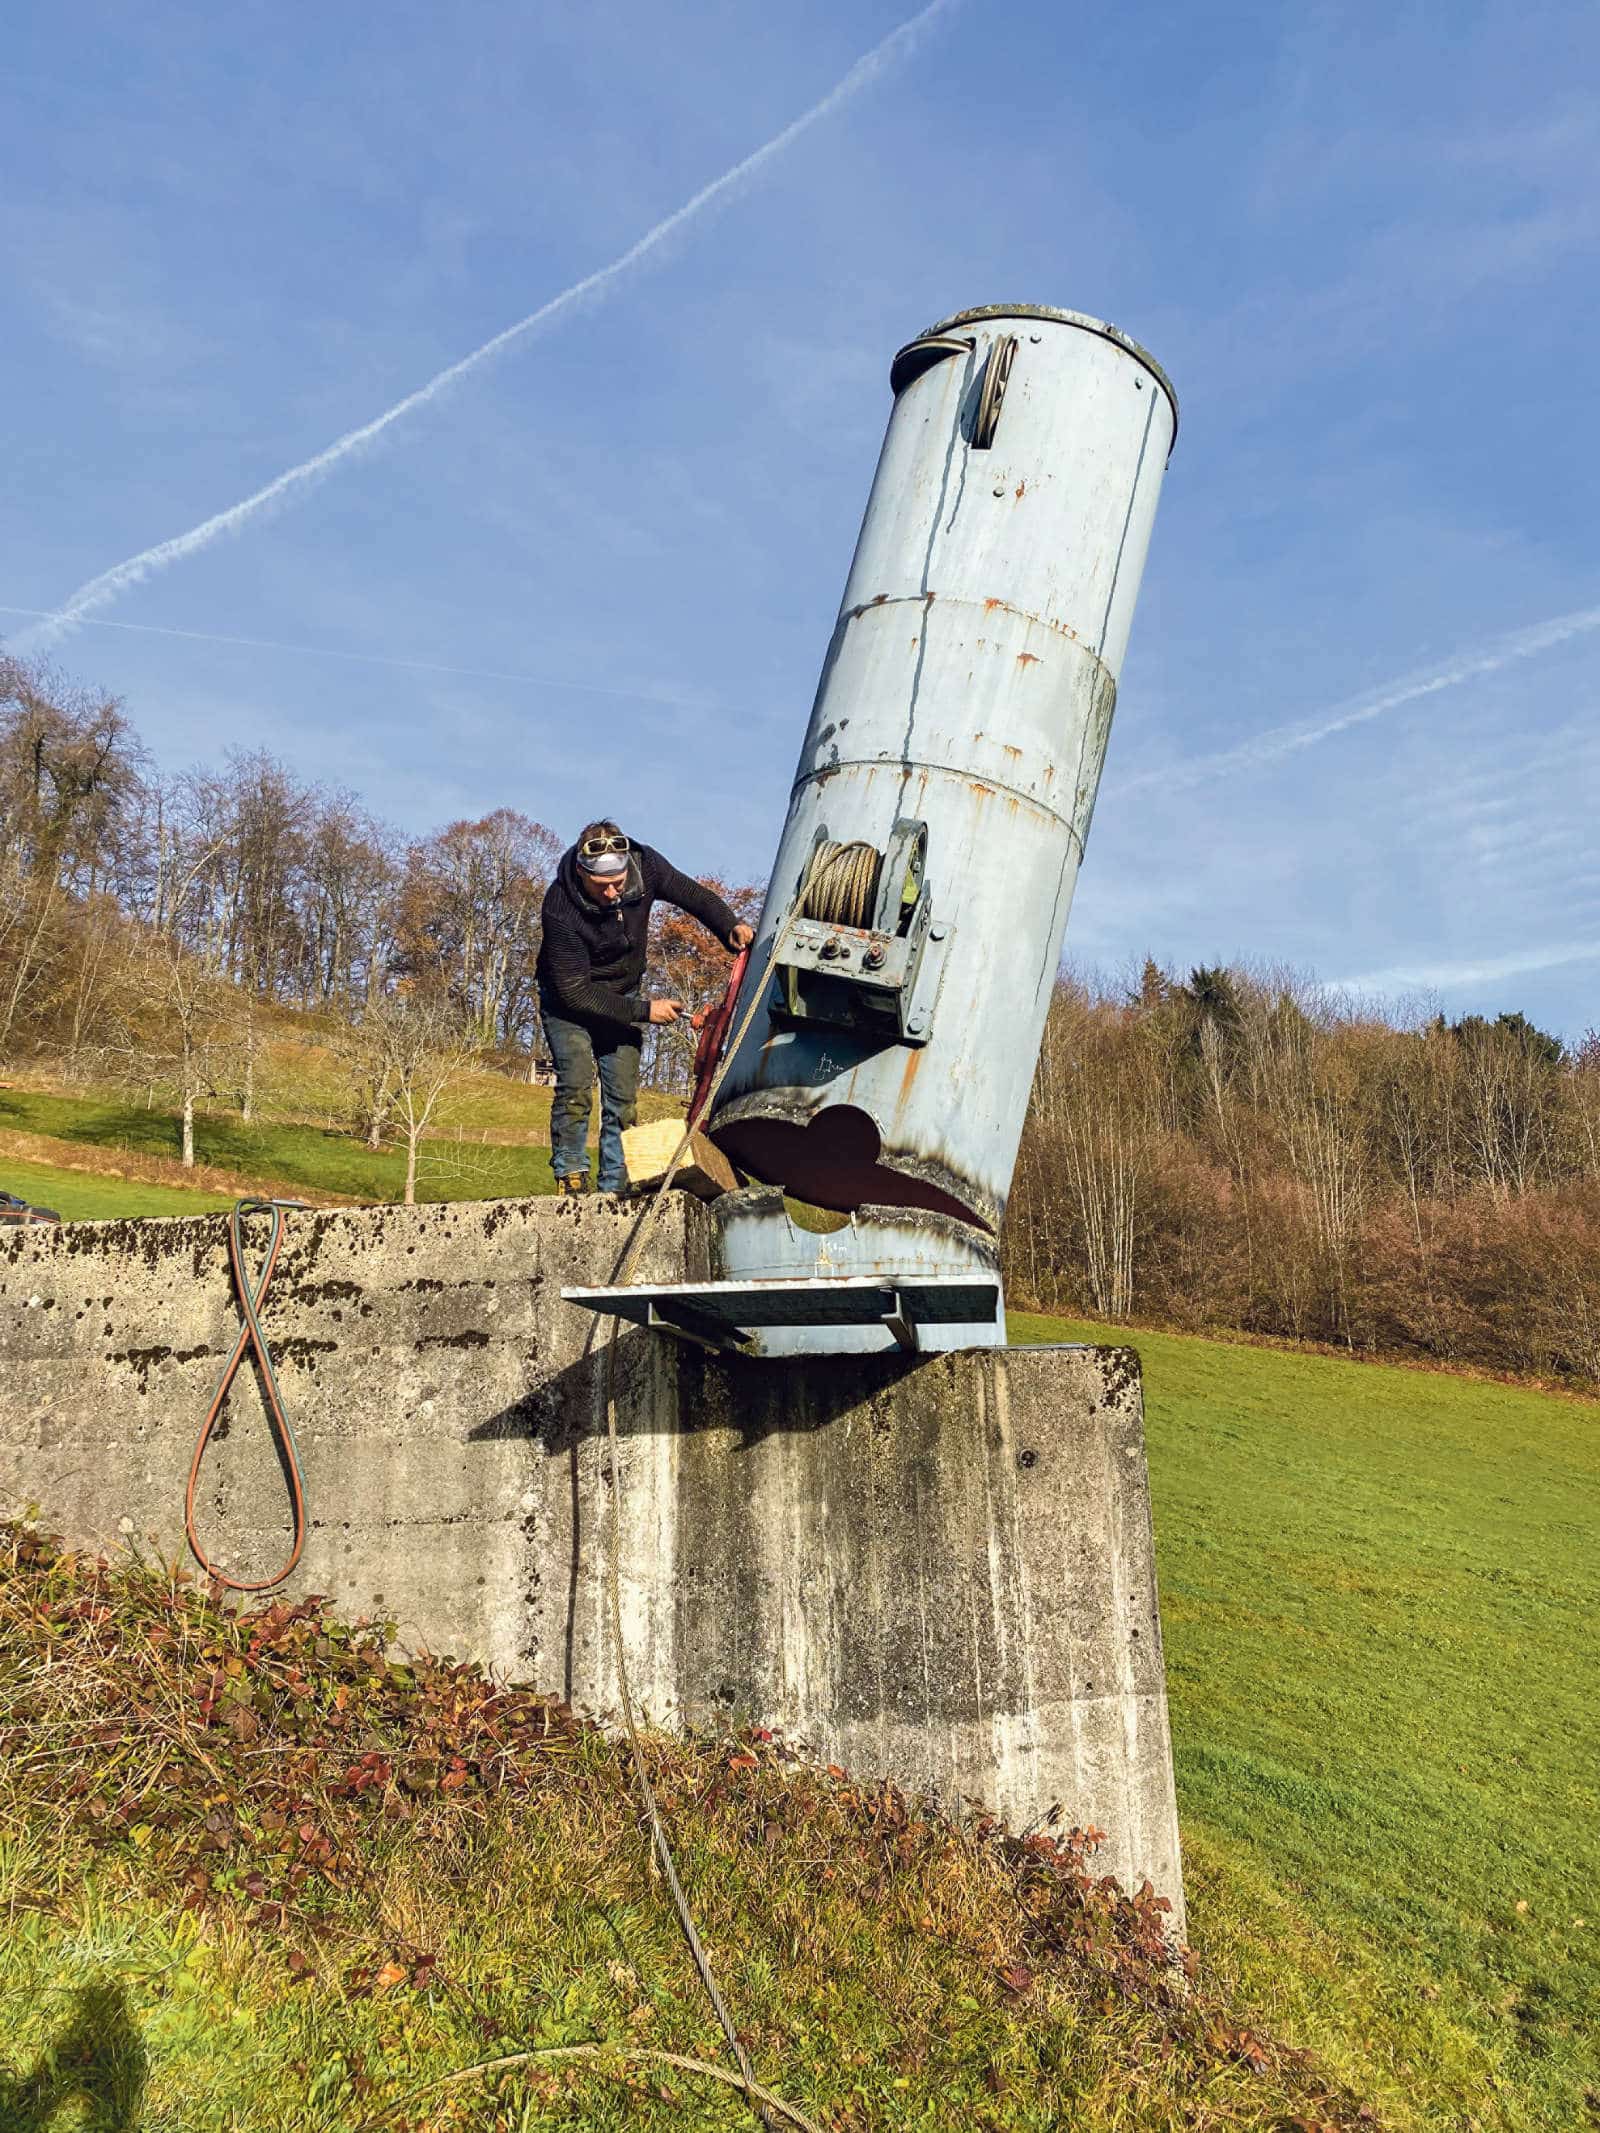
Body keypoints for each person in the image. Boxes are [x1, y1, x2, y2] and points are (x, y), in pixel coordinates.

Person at [536, 820, 755, 1195]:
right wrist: (645, 1011)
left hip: (623, 992)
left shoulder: (646, 865)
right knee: (576, 1083)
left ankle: (614, 1187)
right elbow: (576, 993)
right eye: (601, 885)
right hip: (569, 1003)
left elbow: (692, 894)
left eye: (618, 883)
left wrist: (728, 925)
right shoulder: (559, 906)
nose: (611, 893)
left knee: (622, 1097)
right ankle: (571, 1178)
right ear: (581, 872)